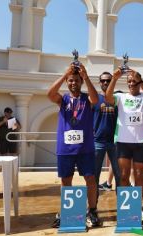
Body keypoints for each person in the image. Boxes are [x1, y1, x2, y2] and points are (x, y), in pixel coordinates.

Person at [47, 63, 101, 228]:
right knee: (66, 180)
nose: (73, 83)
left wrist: (86, 76)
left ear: (81, 82)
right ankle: (68, 211)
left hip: (85, 148)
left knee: (90, 179)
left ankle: (92, 210)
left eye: (76, 80)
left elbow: (96, 99)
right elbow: (50, 94)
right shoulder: (63, 99)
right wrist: (65, 75)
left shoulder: (86, 98)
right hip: (66, 148)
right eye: (70, 80)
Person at [105, 67, 143, 225]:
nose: (132, 84)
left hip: (140, 142)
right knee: (124, 176)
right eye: (129, 82)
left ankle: (137, 208)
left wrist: (142, 81)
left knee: (139, 176)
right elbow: (108, 98)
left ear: (139, 82)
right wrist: (114, 78)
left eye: (134, 81)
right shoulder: (120, 96)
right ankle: (125, 209)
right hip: (123, 142)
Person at [93, 72, 120, 197]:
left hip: (115, 142)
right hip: (97, 142)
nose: (105, 83)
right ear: (99, 83)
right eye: (103, 80)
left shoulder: (118, 99)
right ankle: (92, 208)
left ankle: (123, 211)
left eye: (108, 80)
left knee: (120, 176)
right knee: (94, 176)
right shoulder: (94, 99)